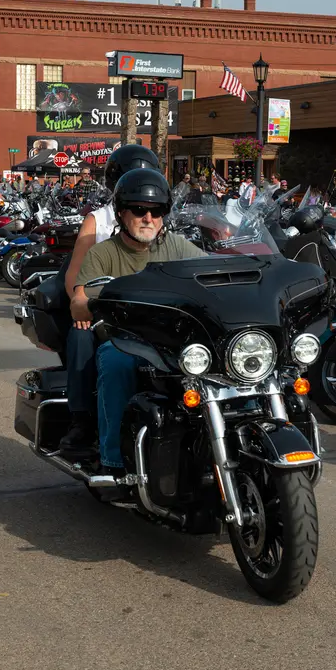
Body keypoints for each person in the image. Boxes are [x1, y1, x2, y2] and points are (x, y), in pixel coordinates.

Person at [67, 168, 204, 474]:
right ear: (121, 213)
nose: (148, 218)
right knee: (117, 364)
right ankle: (113, 462)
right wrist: (89, 303)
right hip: (125, 339)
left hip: (171, 339)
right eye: (140, 210)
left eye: (156, 211)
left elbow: (209, 269)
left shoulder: (177, 247)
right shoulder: (103, 254)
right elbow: (79, 300)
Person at [60, 144, 162, 458]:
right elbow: (74, 276)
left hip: (152, 307)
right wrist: (83, 300)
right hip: (107, 308)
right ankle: (82, 418)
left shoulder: (156, 218)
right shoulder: (99, 220)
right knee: (81, 329)